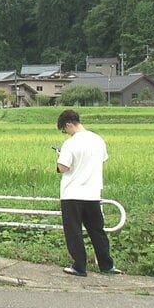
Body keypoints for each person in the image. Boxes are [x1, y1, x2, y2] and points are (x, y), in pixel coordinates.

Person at [55, 109, 123, 277]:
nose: (66, 132)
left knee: (74, 232)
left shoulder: (70, 143)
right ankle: (107, 266)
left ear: (69, 124)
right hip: (93, 193)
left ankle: (79, 266)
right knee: (97, 231)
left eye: (65, 129)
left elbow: (63, 167)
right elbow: (101, 160)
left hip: (72, 193)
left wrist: (59, 155)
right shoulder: (98, 140)